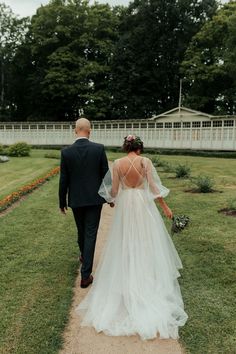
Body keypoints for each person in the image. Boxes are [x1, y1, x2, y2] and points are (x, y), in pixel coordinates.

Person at [76, 134, 188, 340]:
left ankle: (127, 275)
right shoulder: (145, 162)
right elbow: (154, 188)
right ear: (139, 148)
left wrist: (110, 200)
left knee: (125, 240)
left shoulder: (118, 163)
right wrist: (166, 208)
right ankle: (145, 275)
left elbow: (115, 191)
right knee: (145, 240)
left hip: (127, 205)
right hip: (143, 203)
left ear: (125, 147)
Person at [59, 118, 109, 288]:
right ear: (90, 130)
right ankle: (85, 274)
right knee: (89, 234)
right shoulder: (99, 149)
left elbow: (63, 179)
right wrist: (109, 197)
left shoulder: (66, 152)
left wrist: (62, 201)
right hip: (95, 200)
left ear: (75, 130)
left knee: (82, 231)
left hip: (76, 200)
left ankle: (84, 264)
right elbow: (106, 176)